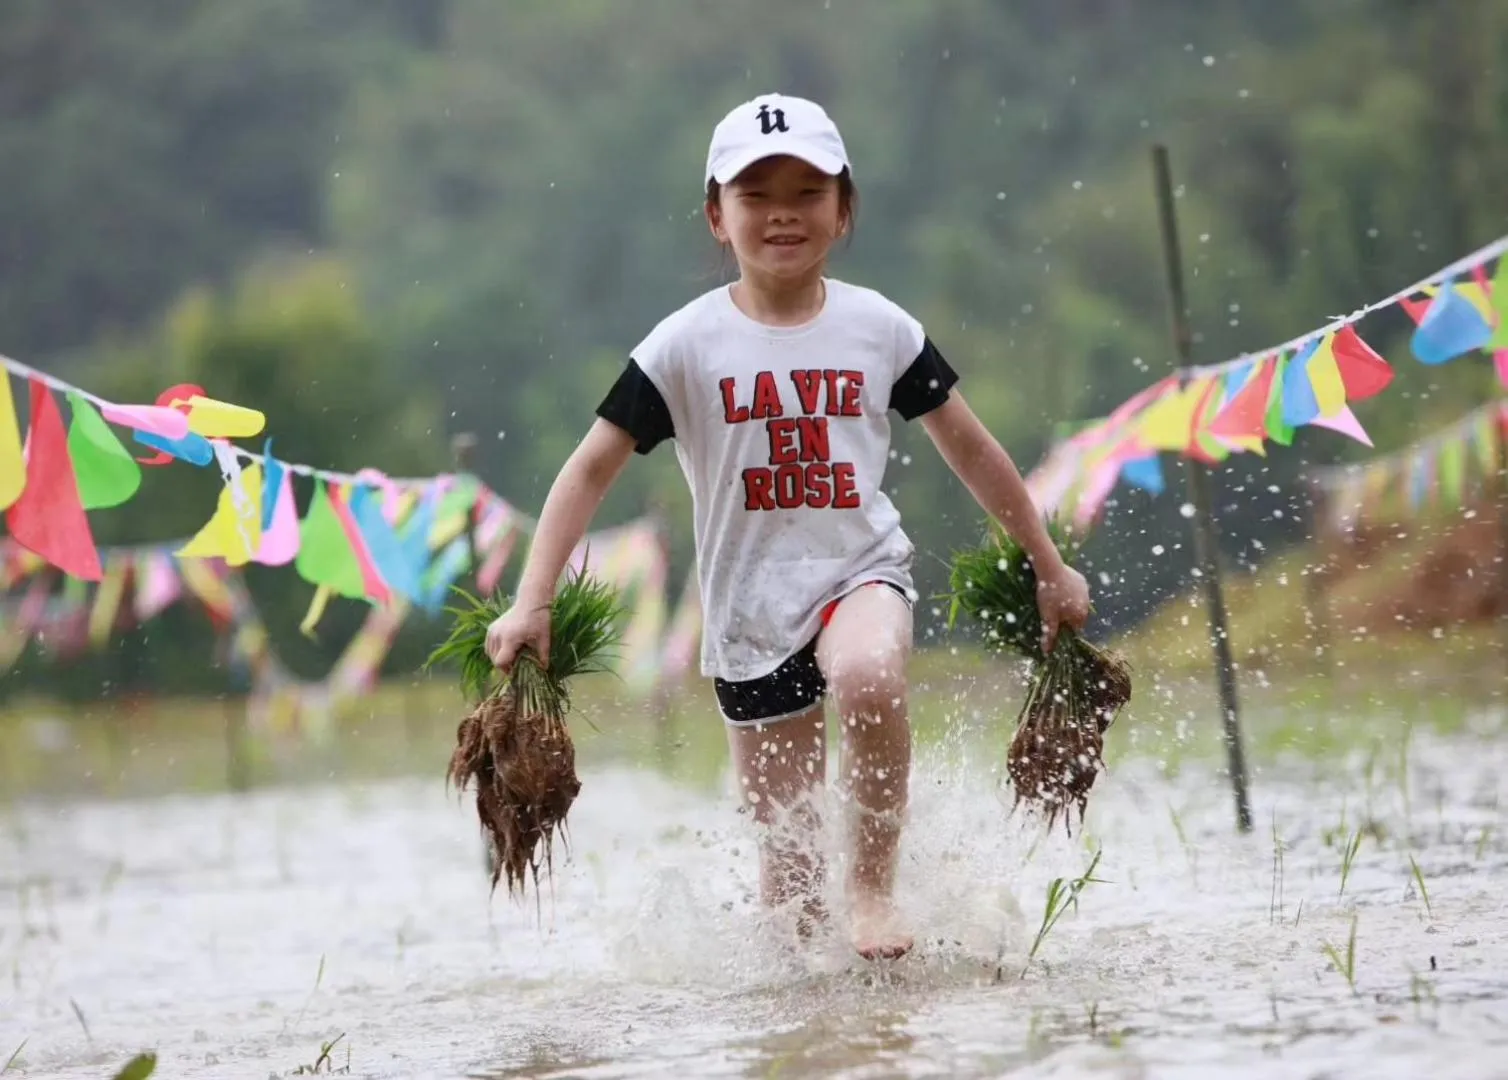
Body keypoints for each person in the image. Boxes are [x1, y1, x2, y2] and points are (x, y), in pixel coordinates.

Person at [485, 92, 1092, 961]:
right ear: (715, 216)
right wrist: (532, 602)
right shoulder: (681, 347)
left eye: (808, 192)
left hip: (858, 571)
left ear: (844, 211)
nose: (782, 213)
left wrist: (1048, 564)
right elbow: (589, 468)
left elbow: (971, 446)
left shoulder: (879, 327)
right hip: (748, 612)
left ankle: (876, 890)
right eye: (755, 193)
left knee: (871, 675)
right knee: (790, 895)